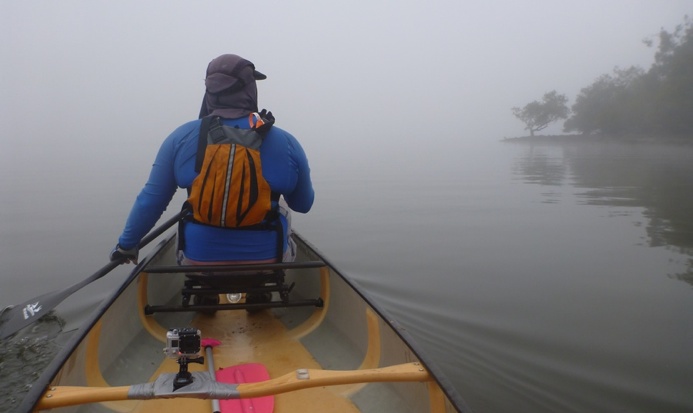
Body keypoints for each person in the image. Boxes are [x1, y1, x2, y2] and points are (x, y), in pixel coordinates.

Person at [110, 54, 314, 267]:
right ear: (250, 90)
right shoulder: (286, 141)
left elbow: (150, 201)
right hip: (268, 261)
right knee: (281, 207)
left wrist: (126, 245)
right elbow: (303, 204)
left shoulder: (180, 137)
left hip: (198, 262)